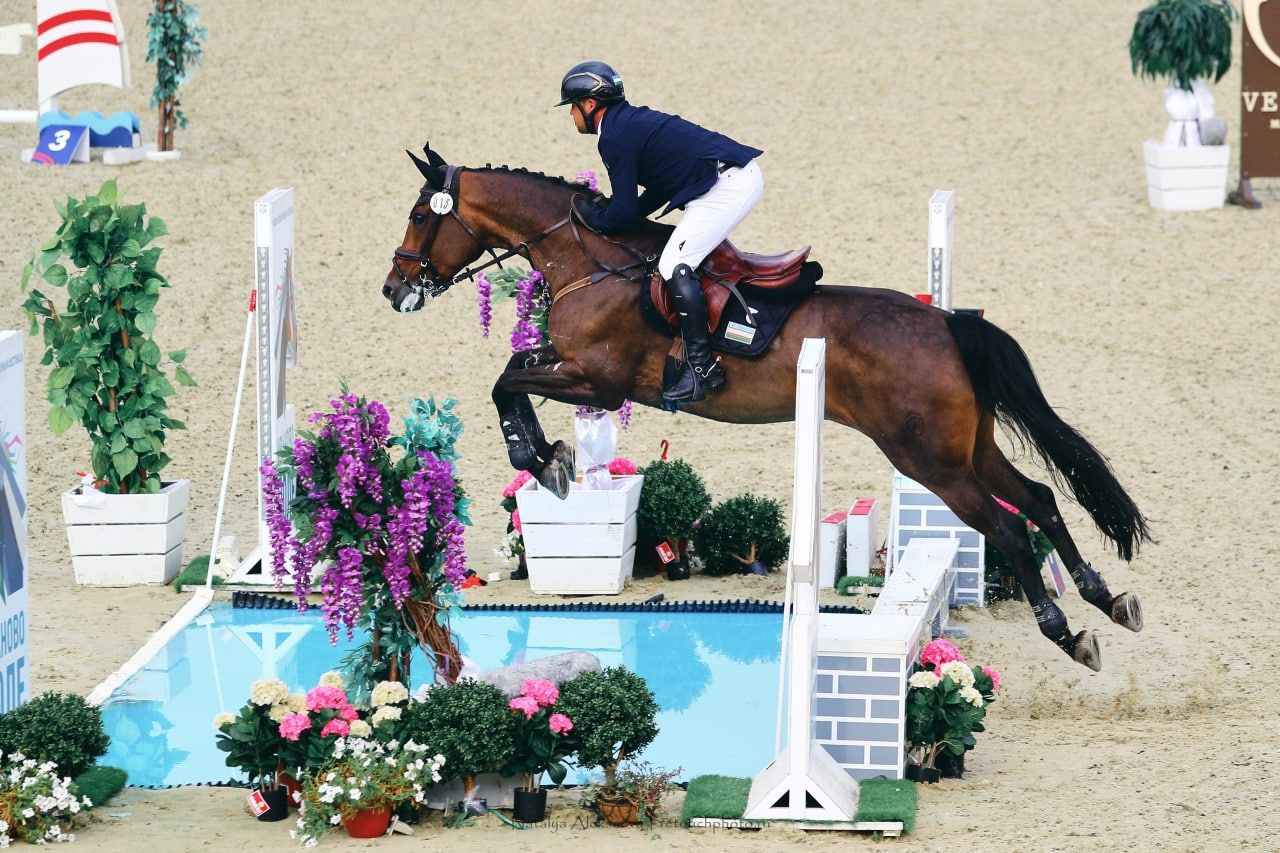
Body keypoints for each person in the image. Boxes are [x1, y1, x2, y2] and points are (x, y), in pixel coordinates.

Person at [557, 60, 764, 404]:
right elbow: (656, 189)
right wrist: (613, 215)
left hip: (727, 187)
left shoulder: (613, 137)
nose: (570, 114)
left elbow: (623, 209)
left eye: (572, 107)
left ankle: (702, 368)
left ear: (590, 105)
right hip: (727, 179)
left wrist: (592, 220)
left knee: (674, 266)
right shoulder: (627, 123)